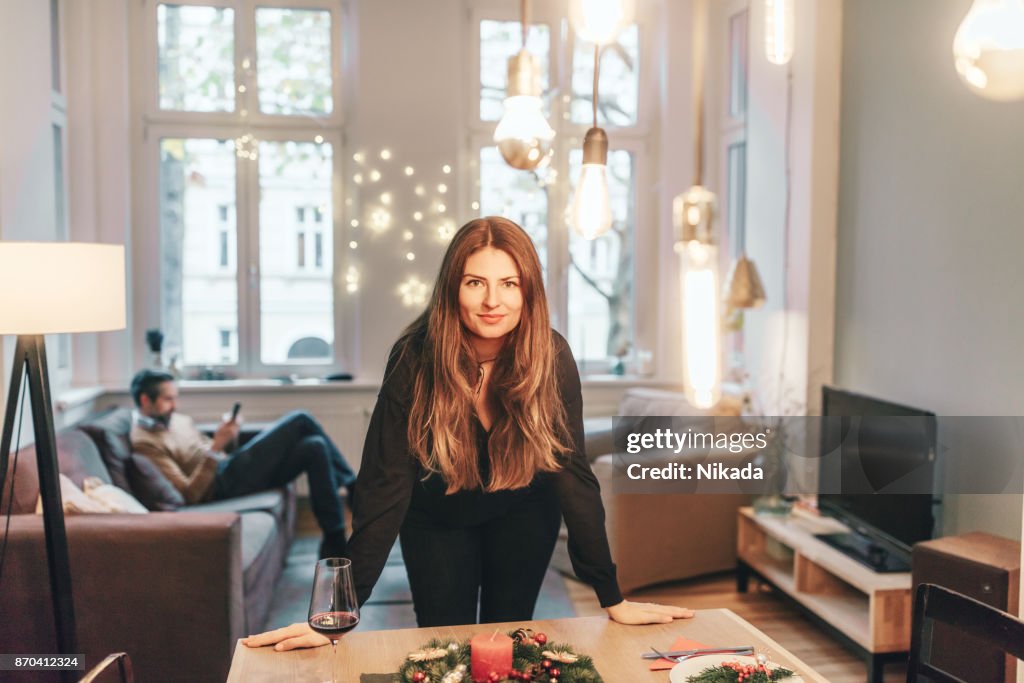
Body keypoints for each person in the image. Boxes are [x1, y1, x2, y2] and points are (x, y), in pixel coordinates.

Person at [243, 217, 691, 651]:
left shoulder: (551, 357)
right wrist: (340, 613)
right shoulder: (413, 359)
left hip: (525, 515)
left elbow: (572, 473)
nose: (492, 300)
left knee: (505, 646)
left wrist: (611, 595)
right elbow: (385, 487)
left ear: (528, 289)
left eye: (509, 283)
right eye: (475, 282)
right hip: (435, 518)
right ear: (452, 289)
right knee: (444, 649)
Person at [129, 369, 356, 557]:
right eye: (168, 399)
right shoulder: (145, 443)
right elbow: (189, 494)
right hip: (221, 486)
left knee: (314, 446)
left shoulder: (178, 420)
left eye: (175, 398)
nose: (175, 405)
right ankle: (355, 490)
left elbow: (206, 449)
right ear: (145, 400)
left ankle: (334, 540)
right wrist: (217, 447)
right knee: (300, 419)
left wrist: (228, 436)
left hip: (231, 469)